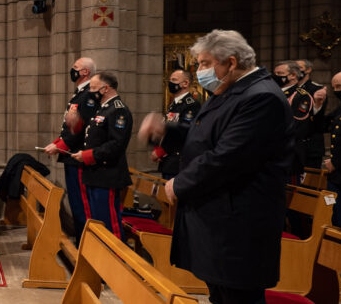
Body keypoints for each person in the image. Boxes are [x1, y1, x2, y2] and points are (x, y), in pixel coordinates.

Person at [138, 30, 292, 303]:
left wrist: (180, 184)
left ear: (231, 63)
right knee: (220, 295)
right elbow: (205, 135)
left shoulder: (261, 97)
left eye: (205, 64)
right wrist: (166, 131)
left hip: (239, 224)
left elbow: (229, 157)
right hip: (219, 218)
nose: (199, 71)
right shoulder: (229, 91)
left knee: (237, 296)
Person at [68, 72, 132, 240]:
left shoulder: (118, 110)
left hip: (107, 174)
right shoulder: (102, 109)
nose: (89, 91)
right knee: (97, 223)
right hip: (95, 173)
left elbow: (116, 145)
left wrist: (88, 155)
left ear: (105, 89)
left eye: (93, 88)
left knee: (109, 223)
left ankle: (118, 260)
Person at [42, 57, 98, 238]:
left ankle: (85, 241)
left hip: (78, 156)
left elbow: (80, 129)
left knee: (82, 202)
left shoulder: (89, 95)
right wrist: (57, 143)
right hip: (70, 155)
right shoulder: (79, 94)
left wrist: (61, 146)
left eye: (75, 67)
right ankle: (80, 238)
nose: (71, 70)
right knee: (75, 201)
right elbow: (68, 127)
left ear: (85, 72)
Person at [151, 69, 200, 179]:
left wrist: (162, 150)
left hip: (178, 162)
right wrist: (156, 147)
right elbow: (167, 129)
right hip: (168, 162)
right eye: (170, 80)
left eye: (174, 80)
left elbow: (183, 131)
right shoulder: (174, 104)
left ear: (185, 83)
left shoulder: (191, 105)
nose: (170, 83)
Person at [274, 60, 316, 178]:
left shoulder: (301, 96)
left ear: (293, 75)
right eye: (275, 73)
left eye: (280, 73)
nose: (276, 76)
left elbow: (297, 127)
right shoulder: (274, 93)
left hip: (289, 155)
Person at [325, 70, 341, 229]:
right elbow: (322, 125)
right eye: (334, 87)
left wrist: (336, 163)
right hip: (337, 175)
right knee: (336, 217)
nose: (336, 91)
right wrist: (318, 104)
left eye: (340, 86)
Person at [297, 59, 328, 169]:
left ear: (308, 69)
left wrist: (317, 103)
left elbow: (317, 118)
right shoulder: (290, 89)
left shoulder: (316, 89)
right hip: (293, 146)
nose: (296, 71)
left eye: (299, 68)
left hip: (311, 146)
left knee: (310, 183)